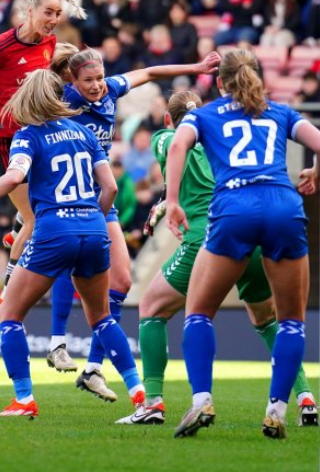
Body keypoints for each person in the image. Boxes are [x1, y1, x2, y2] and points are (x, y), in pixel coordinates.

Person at [0, 69, 145, 421]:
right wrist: (91, 217)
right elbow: (110, 188)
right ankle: (142, 399)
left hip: (54, 231)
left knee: (10, 315)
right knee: (102, 318)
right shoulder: (85, 131)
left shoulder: (27, 135)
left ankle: (24, 399)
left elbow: (13, 177)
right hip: (96, 229)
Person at [118, 90, 319, 426]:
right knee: (269, 321)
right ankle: (305, 398)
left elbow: (177, 152)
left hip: (211, 237)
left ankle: (153, 403)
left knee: (153, 306)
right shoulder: (219, 137)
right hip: (255, 233)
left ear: (169, 119)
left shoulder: (167, 136)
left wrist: (169, 198)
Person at [163, 48, 320, 439]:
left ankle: (202, 400)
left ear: (219, 82)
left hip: (234, 208)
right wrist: (316, 171)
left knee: (198, 313)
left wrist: (172, 201)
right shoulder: (282, 112)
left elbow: (178, 145)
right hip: (284, 206)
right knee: (291, 321)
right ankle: (277, 410)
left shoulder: (204, 114)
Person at [43, 45, 220, 393]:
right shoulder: (62, 97)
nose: (97, 86)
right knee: (71, 262)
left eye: (99, 78)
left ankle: (93, 368)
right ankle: (56, 341)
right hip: (71, 197)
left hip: (103, 199)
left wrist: (197, 65)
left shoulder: (111, 88)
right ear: (72, 81)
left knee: (121, 282)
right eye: (88, 81)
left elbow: (151, 73)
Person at [0, 0, 86, 309]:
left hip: (35, 137)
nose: (54, 19)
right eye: (48, 12)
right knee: (36, 220)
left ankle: (17, 229)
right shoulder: (0, 46)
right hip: (5, 142)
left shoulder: (50, 44)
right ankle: (6, 292)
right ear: (30, 11)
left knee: (40, 210)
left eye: (58, 14)